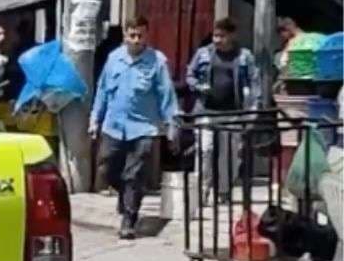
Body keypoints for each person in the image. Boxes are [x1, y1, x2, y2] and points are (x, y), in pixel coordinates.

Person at [90, 16, 180, 239]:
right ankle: (124, 195)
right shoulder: (113, 59)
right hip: (113, 126)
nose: (137, 40)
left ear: (146, 35)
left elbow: (166, 96)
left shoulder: (157, 61)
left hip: (144, 128)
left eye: (141, 35)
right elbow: (102, 91)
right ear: (125, 35)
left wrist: (172, 127)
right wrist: (95, 119)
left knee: (134, 174)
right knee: (107, 168)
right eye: (132, 35)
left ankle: (129, 219)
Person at [187, 18, 260, 197]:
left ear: (232, 35)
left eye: (222, 36)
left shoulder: (244, 56)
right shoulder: (203, 54)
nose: (217, 40)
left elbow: (254, 81)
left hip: (233, 113)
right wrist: (198, 86)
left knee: (230, 154)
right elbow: (190, 74)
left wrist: (253, 108)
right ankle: (203, 188)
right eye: (215, 35)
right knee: (206, 150)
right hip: (206, 110)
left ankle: (224, 190)